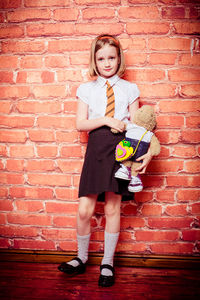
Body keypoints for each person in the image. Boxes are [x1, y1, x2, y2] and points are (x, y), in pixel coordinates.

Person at [58, 34, 153, 287]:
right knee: (84, 209)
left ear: (119, 58)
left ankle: (107, 262)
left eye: (112, 57)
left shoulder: (130, 89)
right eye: (101, 58)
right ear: (95, 60)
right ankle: (81, 258)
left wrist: (145, 152)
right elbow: (80, 123)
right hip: (97, 147)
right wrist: (106, 120)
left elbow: (137, 125)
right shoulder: (86, 89)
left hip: (121, 148)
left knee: (112, 208)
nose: (107, 63)